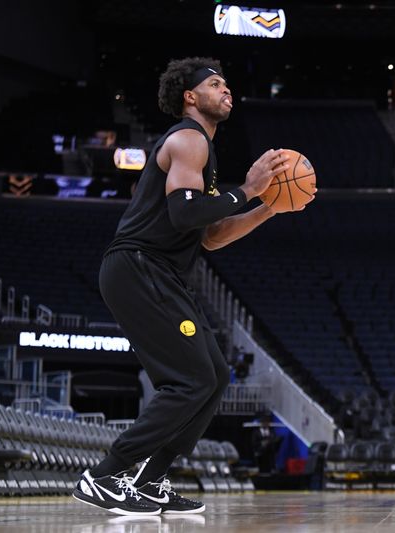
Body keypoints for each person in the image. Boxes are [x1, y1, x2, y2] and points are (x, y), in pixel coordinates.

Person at [72, 57, 316, 516]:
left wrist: (268, 207)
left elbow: (212, 235)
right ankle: (105, 474)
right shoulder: (188, 140)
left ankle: (150, 480)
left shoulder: (204, 152)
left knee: (215, 377)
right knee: (191, 381)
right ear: (190, 96)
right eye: (216, 84)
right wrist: (248, 189)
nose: (227, 90)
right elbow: (186, 213)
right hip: (139, 266)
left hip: (159, 272)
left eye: (227, 84)